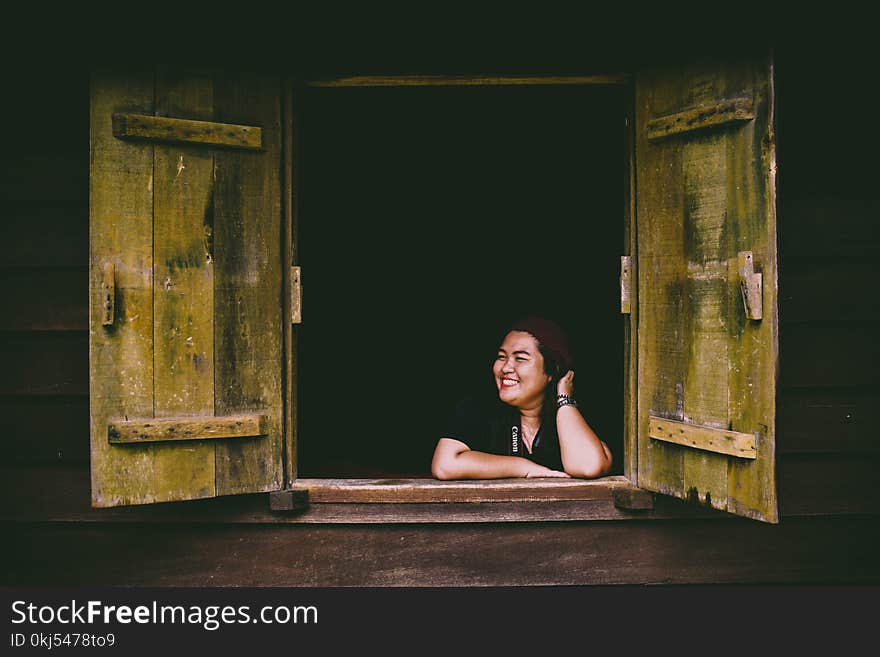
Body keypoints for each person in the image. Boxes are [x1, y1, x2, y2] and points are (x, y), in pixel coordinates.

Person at [431, 316, 612, 479]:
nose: (506, 367)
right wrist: (523, 467)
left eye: (520, 358)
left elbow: (589, 467)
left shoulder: (572, 416)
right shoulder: (479, 408)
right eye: (502, 357)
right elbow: (445, 466)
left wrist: (564, 400)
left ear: (552, 370)